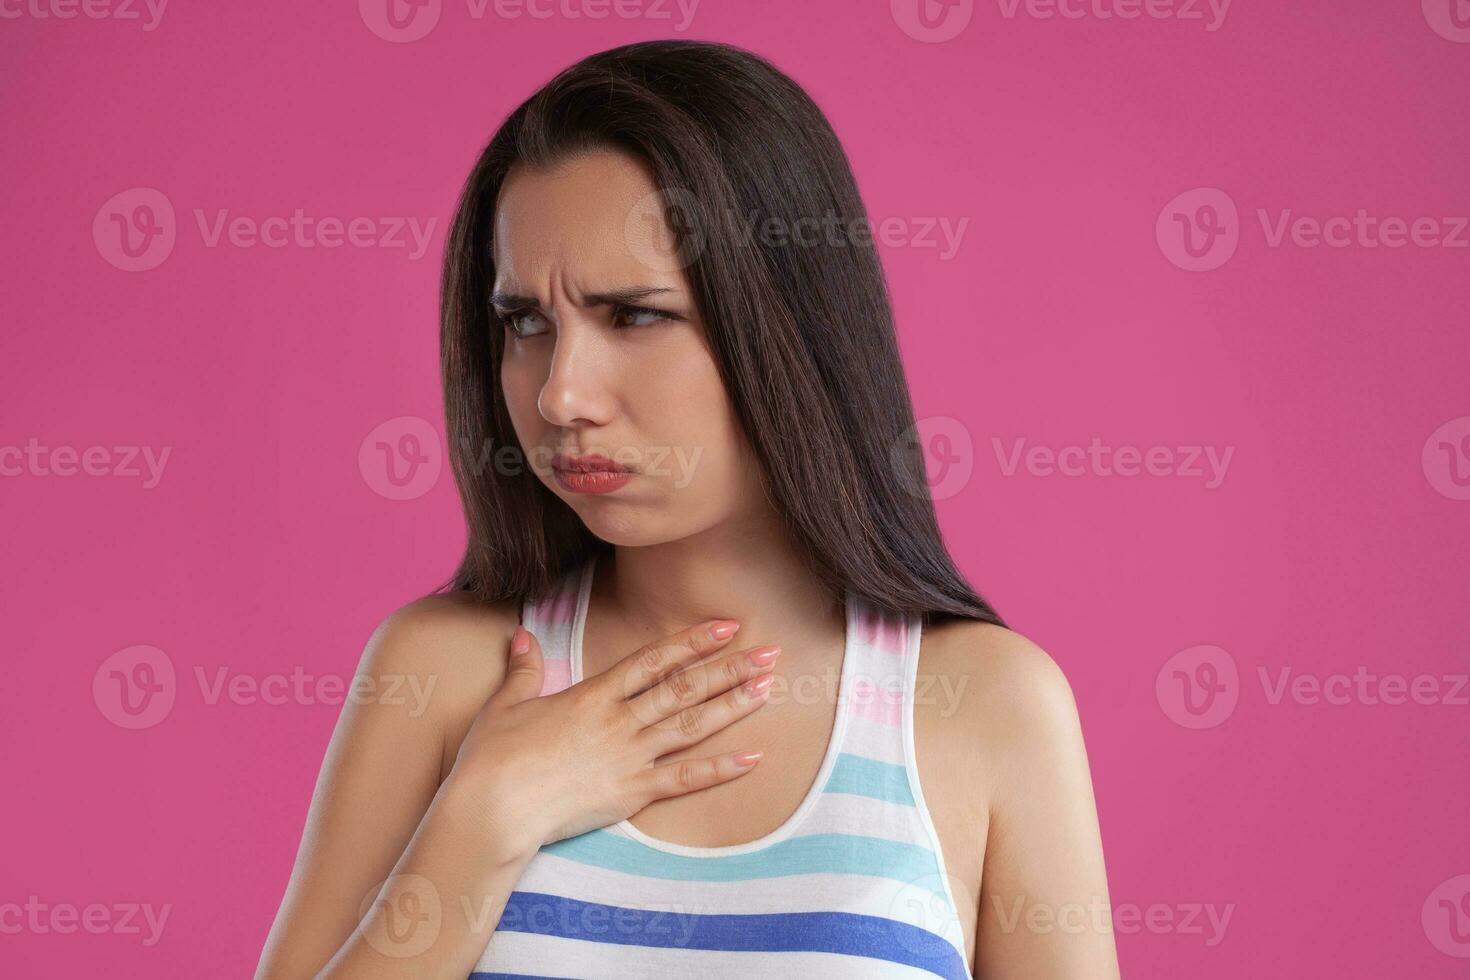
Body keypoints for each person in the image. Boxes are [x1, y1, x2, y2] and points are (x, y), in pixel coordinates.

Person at [256, 38, 1118, 979]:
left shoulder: (989, 707)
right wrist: (487, 816)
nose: (560, 397)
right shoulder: (442, 674)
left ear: (789, 323)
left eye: (634, 316)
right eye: (526, 324)